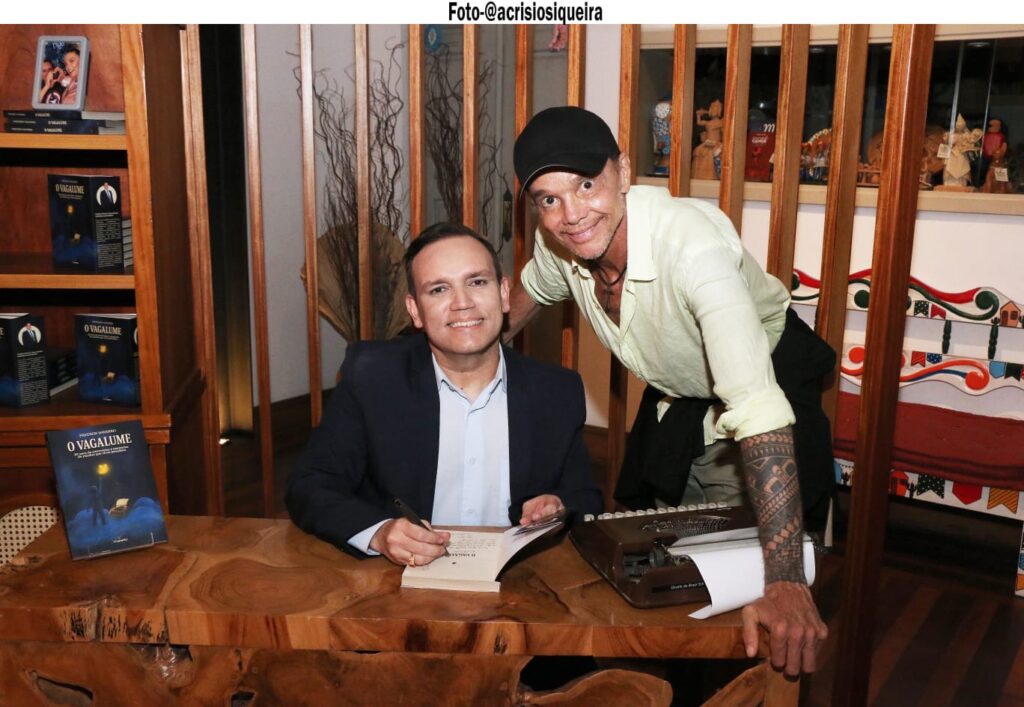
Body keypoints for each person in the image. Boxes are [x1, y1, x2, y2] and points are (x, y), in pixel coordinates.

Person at [506, 106, 834, 676]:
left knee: (740, 583)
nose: (571, 214)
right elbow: (523, 299)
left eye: (586, 185)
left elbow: (756, 406)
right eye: (549, 199)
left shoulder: (691, 244)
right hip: (679, 397)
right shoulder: (559, 245)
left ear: (623, 171)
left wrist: (784, 582)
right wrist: (441, 350)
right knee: (664, 571)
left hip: (765, 380)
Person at [287, 222, 602, 568]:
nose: (462, 303)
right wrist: (379, 532)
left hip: (520, 579)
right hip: (399, 579)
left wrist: (557, 504)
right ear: (415, 311)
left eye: (477, 282)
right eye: (439, 289)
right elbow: (310, 484)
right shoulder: (373, 376)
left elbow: (584, 497)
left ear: (503, 293)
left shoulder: (556, 391)